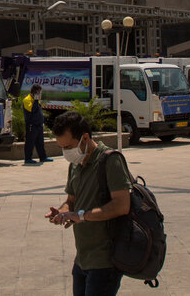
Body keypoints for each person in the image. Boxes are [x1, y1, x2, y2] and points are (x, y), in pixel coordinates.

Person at [45, 111, 131, 296]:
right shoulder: (75, 165)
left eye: (68, 147)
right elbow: (71, 201)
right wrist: (61, 212)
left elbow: (122, 205)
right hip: (82, 259)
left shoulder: (110, 160)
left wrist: (81, 216)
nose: (66, 153)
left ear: (85, 137)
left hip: (105, 261)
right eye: (62, 148)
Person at [23, 84, 51, 164]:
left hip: (38, 124)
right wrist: (35, 100)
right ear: (34, 92)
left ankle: (43, 157)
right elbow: (32, 110)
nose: (40, 94)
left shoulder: (37, 100)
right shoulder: (27, 100)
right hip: (32, 125)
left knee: (40, 142)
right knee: (30, 142)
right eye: (38, 92)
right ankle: (28, 159)